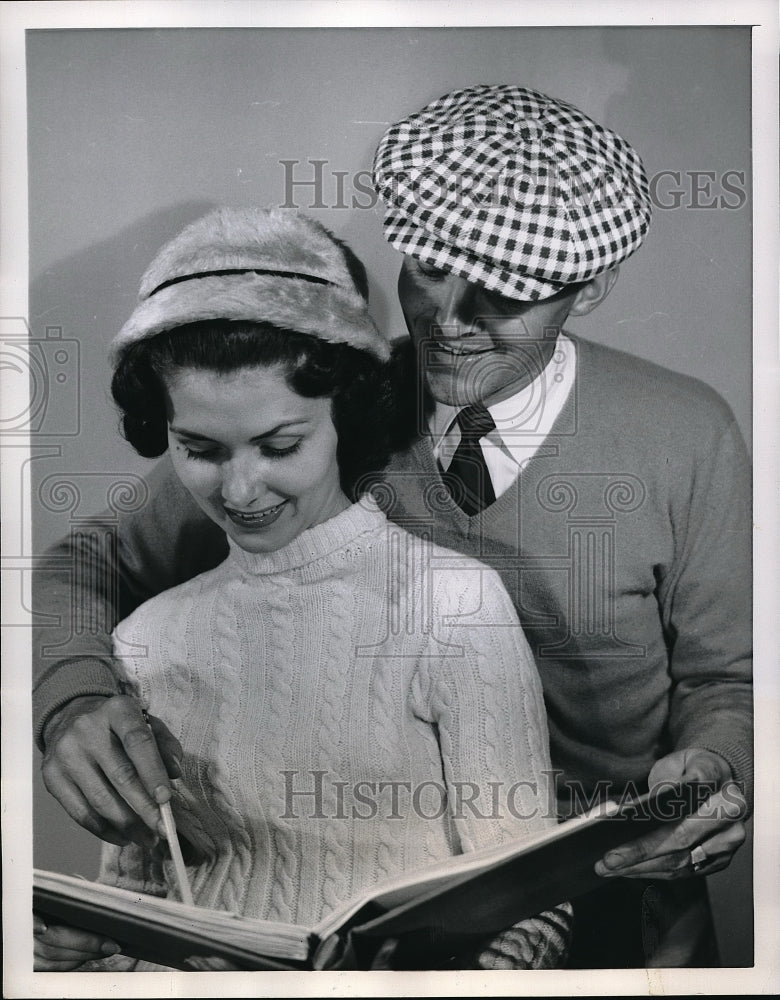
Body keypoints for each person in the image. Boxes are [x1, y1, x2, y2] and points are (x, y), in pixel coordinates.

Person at [33, 86, 752, 968]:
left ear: (591, 287)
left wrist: (719, 772)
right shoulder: (330, 399)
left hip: (622, 910)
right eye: (427, 270)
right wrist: (70, 697)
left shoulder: (686, 432)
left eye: (500, 295)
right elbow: (88, 560)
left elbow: (730, 681)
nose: (446, 324)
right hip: (381, 931)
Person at [34, 207, 572, 972]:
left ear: (346, 416)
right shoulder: (143, 637)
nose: (241, 487)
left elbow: (532, 908)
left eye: (280, 444)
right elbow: (135, 912)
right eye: (200, 449)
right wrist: (77, 954)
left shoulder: (455, 606)